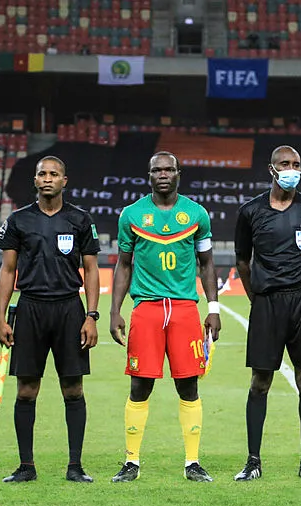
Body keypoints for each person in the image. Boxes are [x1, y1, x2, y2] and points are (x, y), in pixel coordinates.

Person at [109, 151, 221, 483]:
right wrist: (115, 311)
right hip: (147, 309)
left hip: (185, 309)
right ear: (149, 175)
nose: (163, 174)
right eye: (157, 169)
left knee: (188, 385)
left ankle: (192, 462)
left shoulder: (197, 214)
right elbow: (123, 265)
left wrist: (213, 309)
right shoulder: (131, 215)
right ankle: (131, 462)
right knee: (140, 385)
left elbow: (207, 264)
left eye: (169, 169)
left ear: (178, 174)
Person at [0, 156, 100, 483]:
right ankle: (26, 466)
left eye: (54, 174)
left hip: (69, 309)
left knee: (73, 389)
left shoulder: (80, 219)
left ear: (64, 181)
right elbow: (8, 270)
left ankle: (75, 466)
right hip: (30, 309)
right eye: (42, 173)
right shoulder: (18, 220)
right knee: (26, 390)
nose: (47, 178)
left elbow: (91, 270)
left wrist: (91, 316)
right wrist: (0, 317)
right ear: (35, 180)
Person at [233, 145, 301, 481]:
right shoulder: (250, 211)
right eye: (285, 164)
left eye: (296, 164)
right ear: (271, 169)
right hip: (267, 303)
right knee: (260, 383)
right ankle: (253, 461)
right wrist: (257, 297)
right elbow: (243, 261)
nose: (292, 169)